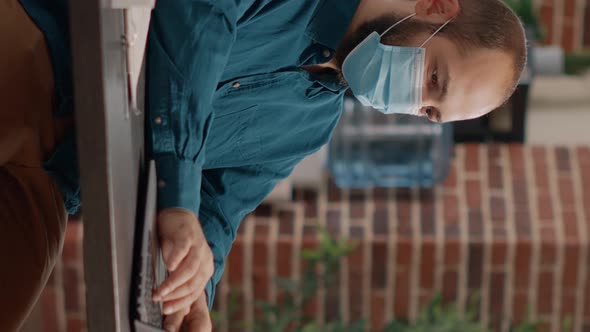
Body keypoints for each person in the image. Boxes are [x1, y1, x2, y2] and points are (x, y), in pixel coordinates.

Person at [0, 0, 526, 331]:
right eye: (434, 78)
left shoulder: (311, 123)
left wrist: (194, 295)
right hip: (42, 51)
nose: (410, 101)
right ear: (436, 7)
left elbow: (219, 210)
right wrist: (178, 196)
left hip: (54, 183)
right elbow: (199, 19)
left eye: (428, 111)